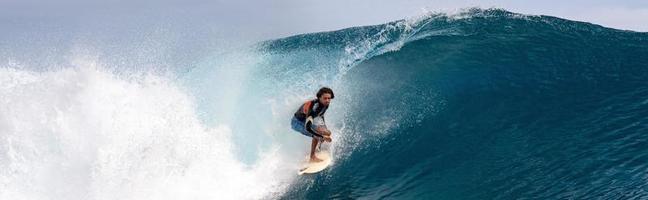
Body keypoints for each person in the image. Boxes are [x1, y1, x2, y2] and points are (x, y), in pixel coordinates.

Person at [291, 87, 334, 163]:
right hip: (297, 122)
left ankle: (318, 147)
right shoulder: (313, 108)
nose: (327, 100)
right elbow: (308, 128)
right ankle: (312, 157)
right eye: (325, 98)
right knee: (317, 134)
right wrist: (322, 136)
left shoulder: (325, 104)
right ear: (319, 98)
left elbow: (320, 115)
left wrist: (324, 127)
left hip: (307, 120)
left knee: (327, 132)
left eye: (329, 98)